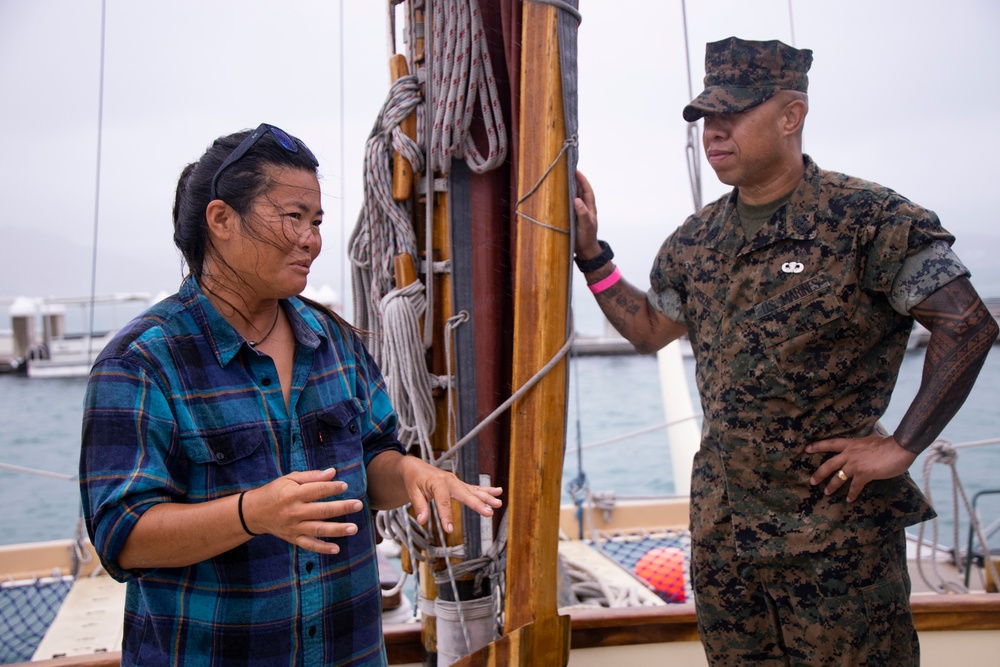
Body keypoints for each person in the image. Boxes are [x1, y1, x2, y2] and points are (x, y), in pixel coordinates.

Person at [573, 37, 998, 666]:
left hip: (836, 545)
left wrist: (901, 446)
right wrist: (593, 256)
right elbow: (649, 330)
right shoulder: (695, 240)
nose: (713, 133)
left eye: (732, 114)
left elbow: (968, 324)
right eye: (705, 120)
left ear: (790, 115)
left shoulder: (869, 219)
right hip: (726, 541)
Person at [78, 123, 503, 667]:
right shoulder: (141, 363)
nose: (312, 239)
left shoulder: (336, 342)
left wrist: (414, 475)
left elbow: (375, 458)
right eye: (293, 218)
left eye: (318, 221)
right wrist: (253, 512)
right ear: (221, 220)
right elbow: (122, 536)